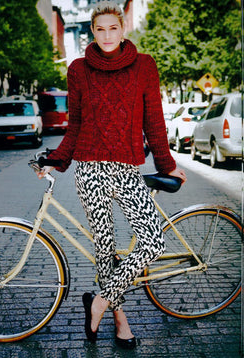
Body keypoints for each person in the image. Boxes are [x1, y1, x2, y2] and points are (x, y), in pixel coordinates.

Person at [38, 1, 186, 349]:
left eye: (113, 28)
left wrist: (167, 165)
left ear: (123, 30)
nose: (107, 35)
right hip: (90, 172)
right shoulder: (77, 69)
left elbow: (154, 122)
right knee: (104, 252)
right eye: (100, 29)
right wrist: (55, 160)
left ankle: (100, 302)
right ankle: (121, 323)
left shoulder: (144, 66)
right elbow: (75, 127)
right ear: (92, 31)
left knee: (152, 241)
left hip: (126, 171)